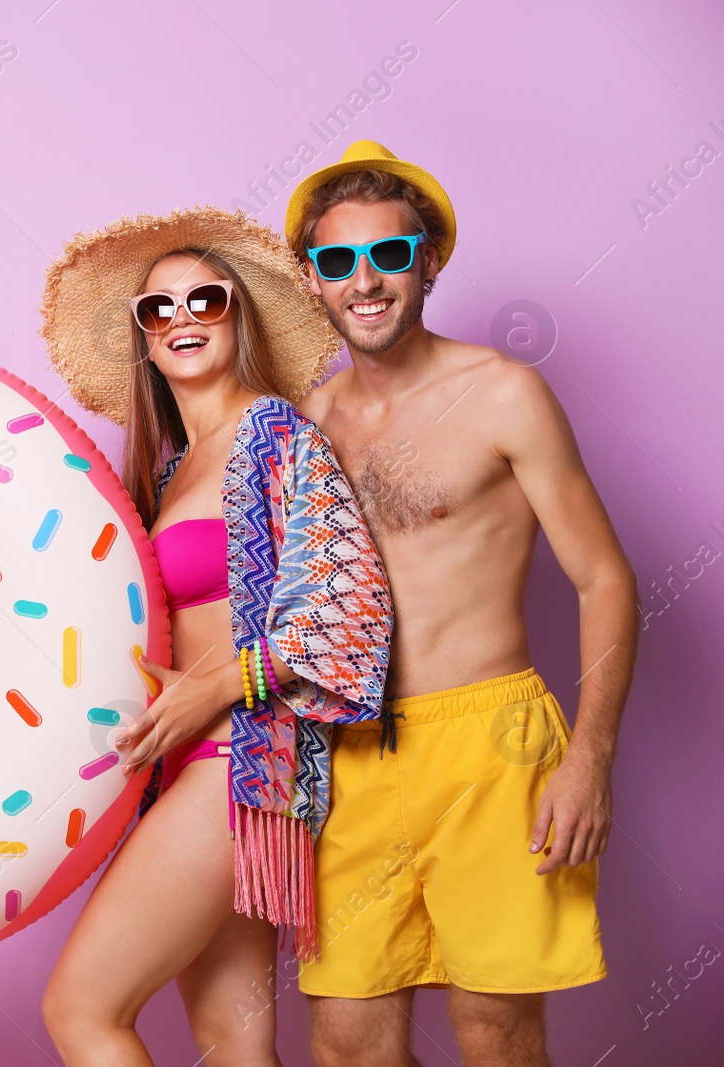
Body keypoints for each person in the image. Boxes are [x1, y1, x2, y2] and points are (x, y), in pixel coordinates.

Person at [0, 207, 394, 1064]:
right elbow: (106, 619)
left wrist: (215, 688)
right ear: (142, 338)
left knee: (82, 1009)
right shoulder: (175, 471)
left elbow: (348, 614)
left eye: (204, 299)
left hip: (241, 767)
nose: (181, 318)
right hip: (189, 774)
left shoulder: (278, 436)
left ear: (238, 315)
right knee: (230, 1045)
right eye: (158, 308)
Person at [283, 141, 637, 1067]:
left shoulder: (503, 393)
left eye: (389, 255)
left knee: (495, 1031)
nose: (366, 279)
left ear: (428, 260)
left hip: (491, 747)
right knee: (347, 1039)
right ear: (311, 278)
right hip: (349, 756)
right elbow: (236, 578)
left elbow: (604, 578)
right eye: (338, 259)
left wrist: (591, 756)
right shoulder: (307, 424)